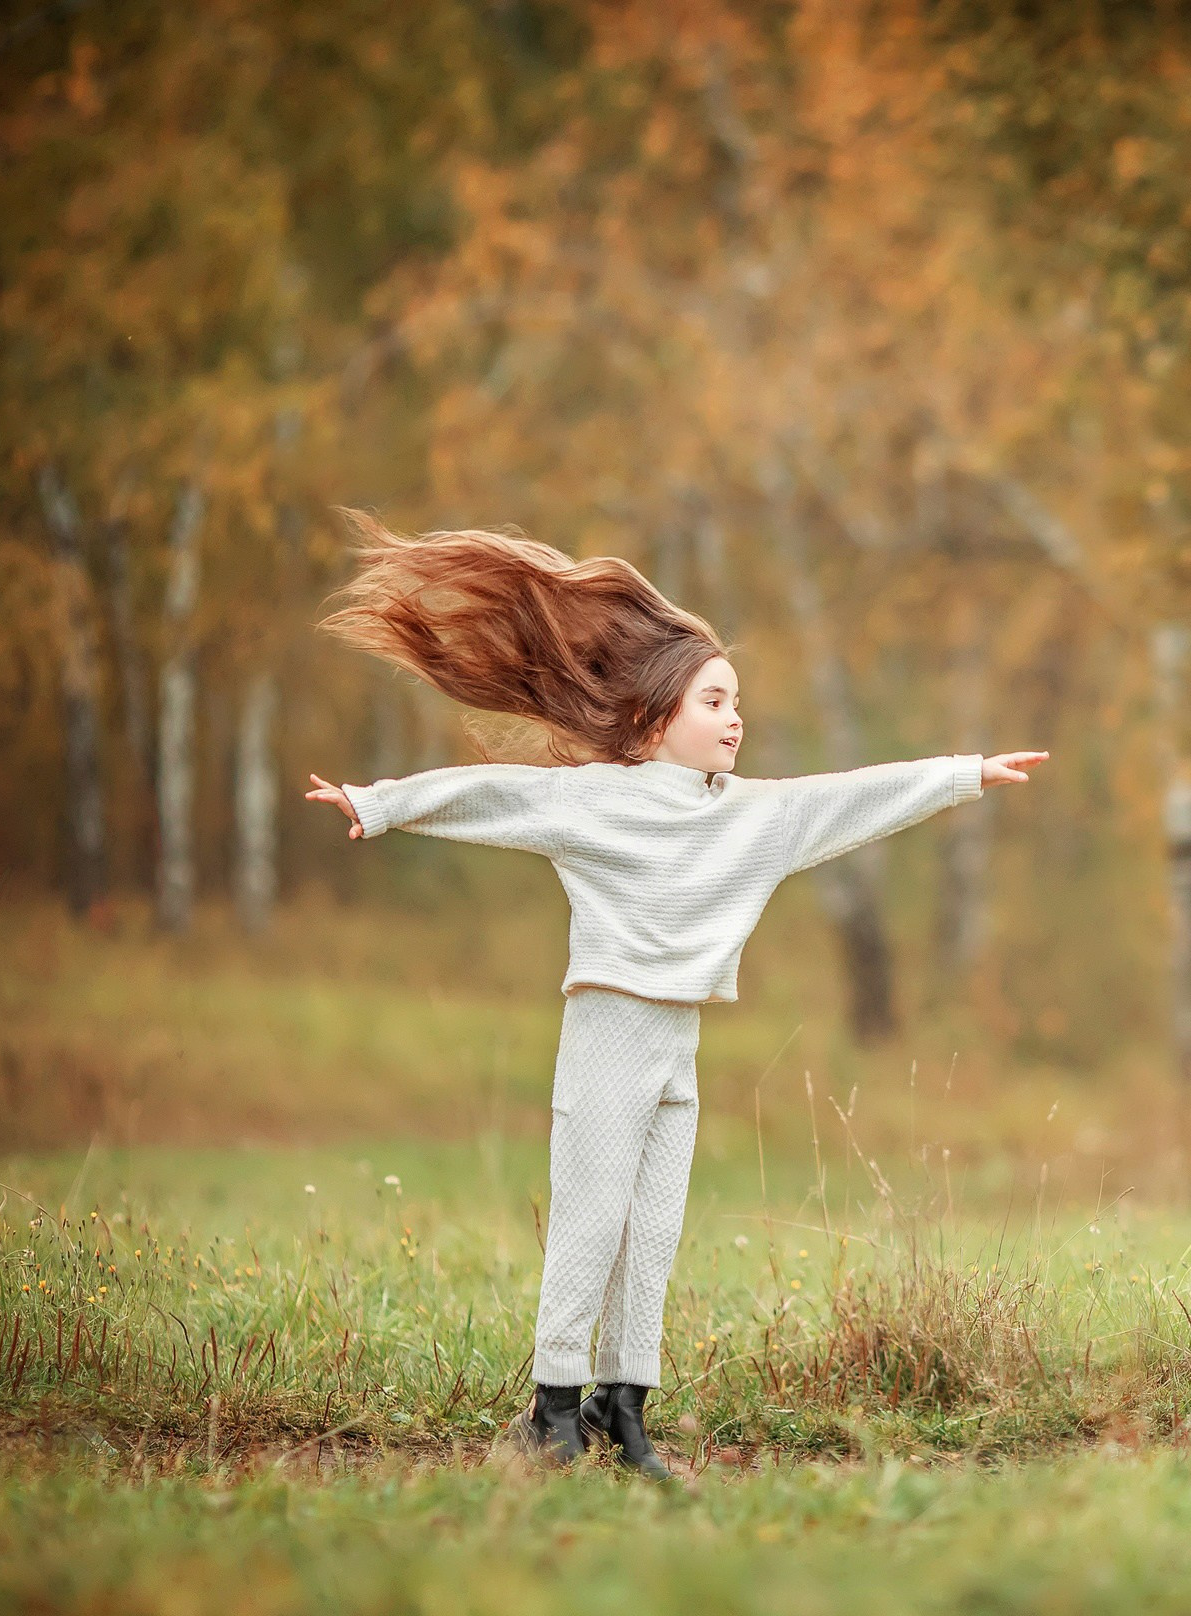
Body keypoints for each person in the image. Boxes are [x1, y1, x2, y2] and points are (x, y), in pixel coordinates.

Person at [304, 514, 1045, 1480]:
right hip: (609, 1027)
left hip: (677, 1039)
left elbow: (847, 797)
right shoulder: (598, 799)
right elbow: (491, 794)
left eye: (739, 702)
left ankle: (626, 1405)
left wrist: (962, 775)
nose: (736, 719)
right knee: (591, 1216)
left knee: (653, 1226)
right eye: (716, 699)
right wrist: (380, 802)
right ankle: (552, 1410)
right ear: (659, 718)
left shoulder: (753, 819)